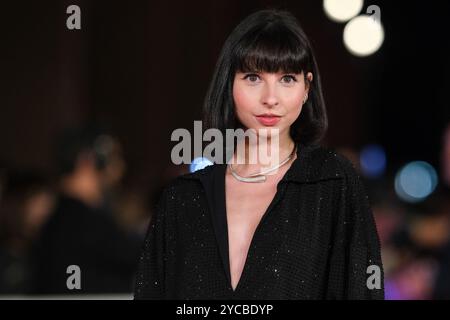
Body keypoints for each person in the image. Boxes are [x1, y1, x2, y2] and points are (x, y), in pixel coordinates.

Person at [134, 9, 384, 299]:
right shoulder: (183, 199)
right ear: (229, 84)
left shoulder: (332, 182)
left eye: (287, 79)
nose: (270, 98)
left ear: (307, 88)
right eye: (253, 77)